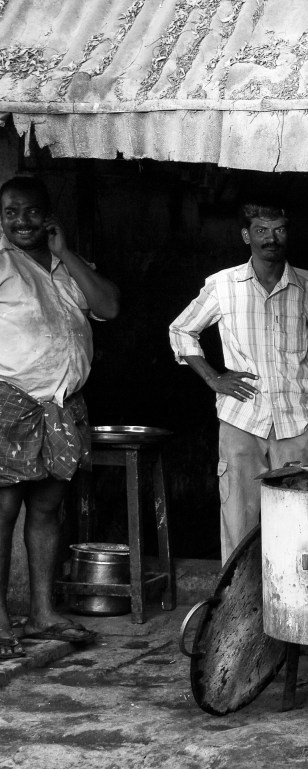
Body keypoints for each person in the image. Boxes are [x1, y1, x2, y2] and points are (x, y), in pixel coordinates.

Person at [0, 175, 120, 658]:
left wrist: (65, 252)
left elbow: (109, 306)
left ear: (48, 216)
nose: (21, 221)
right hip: (10, 398)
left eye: (30, 212)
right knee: (4, 510)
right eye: (10, 213)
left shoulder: (70, 267)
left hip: (63, 402)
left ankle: (44, 612)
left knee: (48, 507)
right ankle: (1, 619)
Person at [169, 199, 308, 562]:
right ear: (246, 235)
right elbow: (181, 330)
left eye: (279, 230)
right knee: (239, 522)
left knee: (298, 523)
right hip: (242, 420)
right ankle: (236, 611)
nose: (271, 239)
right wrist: (214, 379)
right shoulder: (224, 285)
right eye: (261, 231)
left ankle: (287, 606)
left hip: (295, 424)